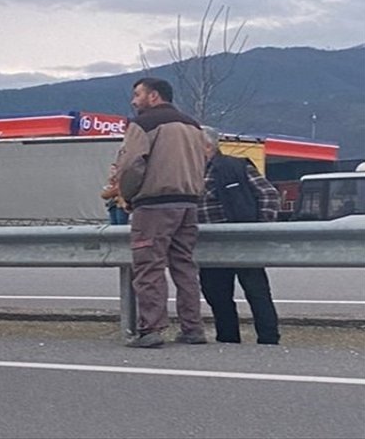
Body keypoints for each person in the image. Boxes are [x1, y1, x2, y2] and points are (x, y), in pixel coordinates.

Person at [114, 77, 207, 348]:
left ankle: (151, 329)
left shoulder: (143, 125)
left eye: (137, 94)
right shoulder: (193, 126)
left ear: (153, 96)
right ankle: (193, 328)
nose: (134, 101)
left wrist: (128, 195)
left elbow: (131, 165)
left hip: (154, 205)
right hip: (189, 204)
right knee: (185, 267)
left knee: (149, 267)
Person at [197, 126, 282, 345]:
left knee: (257, 293)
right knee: (216, 295)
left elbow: (269, 194)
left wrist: (260, 229)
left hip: (242, 240)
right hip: (209, 246)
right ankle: (227, 340)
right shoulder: (188, 172)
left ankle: (269, 339)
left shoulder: (236, 166)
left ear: (207, 145)